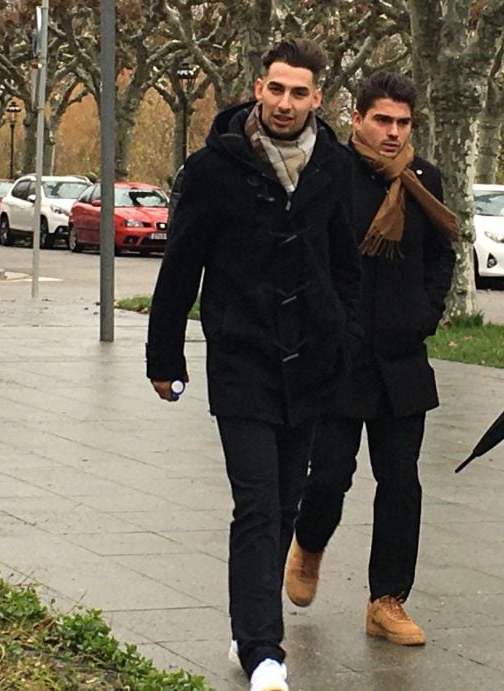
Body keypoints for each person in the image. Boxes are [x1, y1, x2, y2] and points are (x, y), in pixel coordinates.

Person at [145, 39, 362, 691]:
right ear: (257, 88)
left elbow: (345, 262)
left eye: (300, 92)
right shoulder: (214, 168)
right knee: (258, 503)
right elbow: (181, 264)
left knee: (287, 502)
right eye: (277, 89)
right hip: (242, 357)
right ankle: (263, 646)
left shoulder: (336, 168)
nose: (287, 103)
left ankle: (250, 625)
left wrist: (344, 334)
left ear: (318, 98)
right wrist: (165, 355)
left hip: (313, 360)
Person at [284, 71, 458, 645]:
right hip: (340, 356)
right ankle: (308, 545)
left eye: (403, 123)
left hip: (402, 359)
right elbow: (304, 255)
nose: (393, 132)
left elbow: (441, 254)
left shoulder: (422, 177)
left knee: (402, 482)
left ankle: (387, 600)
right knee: (331, 476)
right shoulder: (329, 172)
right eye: (382, 120)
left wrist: (424, 314)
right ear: (356, 117)